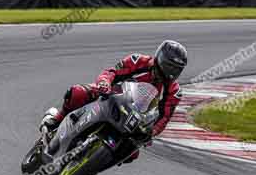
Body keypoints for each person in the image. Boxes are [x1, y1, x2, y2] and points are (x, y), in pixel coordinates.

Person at [39, 40, 187, 163]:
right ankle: (56, 119)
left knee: (132, 153)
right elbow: (111, 72)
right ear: (159, 58)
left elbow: (164, 117)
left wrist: (152, 131)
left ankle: (93, 163)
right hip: (112, 96)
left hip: (136, 118)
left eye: (176, 70)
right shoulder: (138, 61)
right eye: (169, 66)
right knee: (78, 93)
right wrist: (104, 83)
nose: (171, 73)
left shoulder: (174, 91)